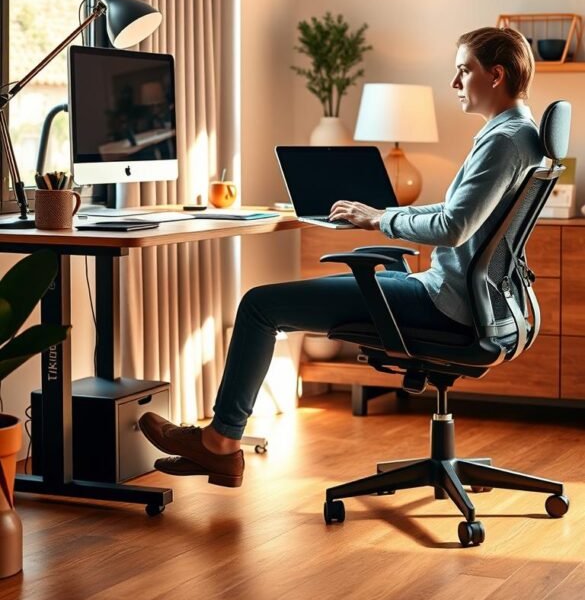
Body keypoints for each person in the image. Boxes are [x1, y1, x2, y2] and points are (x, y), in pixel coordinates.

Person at [139, 26, 543, 488]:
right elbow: (456, 211)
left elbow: (453, 228)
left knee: (259, 306)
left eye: (463, 71)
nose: (455, 84)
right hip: (476, 302)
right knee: (286, 298)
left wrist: (379, 221)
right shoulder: (522, 134)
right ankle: (220, 444)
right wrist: (385, 212)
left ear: (495, 75)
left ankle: (219, 445)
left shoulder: (502, 140)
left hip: (445, 305)